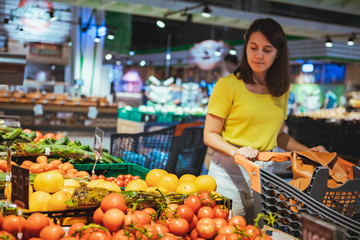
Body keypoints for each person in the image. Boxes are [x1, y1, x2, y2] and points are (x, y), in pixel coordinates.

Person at [203, 18, 328, 222]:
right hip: (229, 172)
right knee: (228, 231)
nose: (258, 55)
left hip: (265, 173)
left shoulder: (281, 89)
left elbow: (279, 136)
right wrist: (237, 151)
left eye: (267, 50)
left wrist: (309, 152)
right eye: (253, 47)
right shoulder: (227, 85)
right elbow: (209, 134)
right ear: (246, 48)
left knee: (262, 232)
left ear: (278, 53)